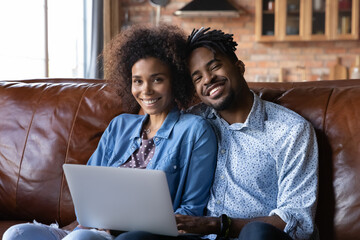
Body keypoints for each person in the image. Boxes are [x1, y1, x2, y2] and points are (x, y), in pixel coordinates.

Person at [2, 24, 217, 240]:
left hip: (135, 237)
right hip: (91, 230)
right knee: (16, 233)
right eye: (138, 81)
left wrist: (124, 226)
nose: (146, 90)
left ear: (176, 80)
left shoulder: (195, 131)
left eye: (157, 79)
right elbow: (86, 194)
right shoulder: (119, 125)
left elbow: (192, 210)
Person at [174, 27, 319, 240]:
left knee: (256, 233)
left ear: (239, 67)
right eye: (197, 78)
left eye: (215, 66)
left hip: (256, 237)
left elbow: (297, 219)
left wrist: (217, 225)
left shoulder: (291, 130)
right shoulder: (193, 123)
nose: (208, 79)